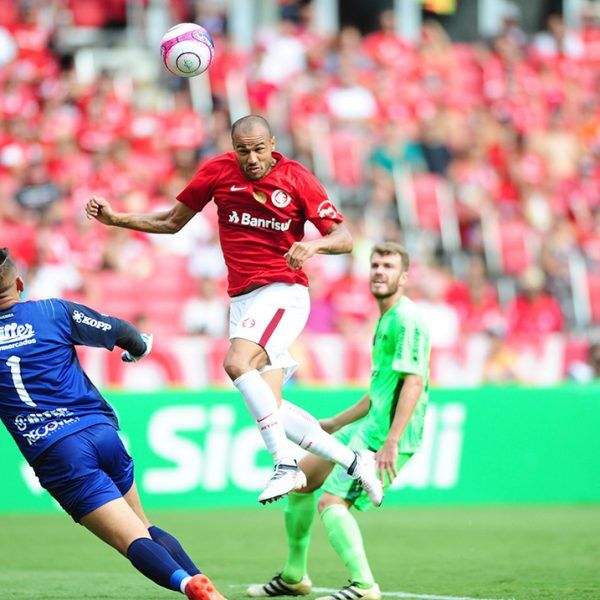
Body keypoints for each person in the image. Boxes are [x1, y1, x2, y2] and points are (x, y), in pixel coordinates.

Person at [85, 114, 383, 506]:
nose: (252, 158)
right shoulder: (218, 172)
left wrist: (313, 246)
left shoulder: (296, 179)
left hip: (284, 290)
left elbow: (343, 237)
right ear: (233, 148)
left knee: (236, 364)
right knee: (271, 407)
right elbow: (174, 222)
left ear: (273, 144)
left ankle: (284, 463)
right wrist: (116, 219)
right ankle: (353, 460)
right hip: (242, 298)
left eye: (259, 149)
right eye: (243, 150)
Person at [0, 248, 223, 600]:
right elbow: (124, 332)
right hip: (100, 432)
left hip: (57, 451)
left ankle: (187, 585)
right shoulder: (52, 311)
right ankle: (209, 590)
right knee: (144, 526)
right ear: (19, 283)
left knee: (129, 539)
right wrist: (139, 349)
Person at [246, 242, 431, 600]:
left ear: (404, 277)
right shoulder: (387, 318)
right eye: (375, 264)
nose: (379, 271)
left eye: (388, 266)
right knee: (300, 482)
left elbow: (414, 381)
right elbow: (380, 392)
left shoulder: (407, 320)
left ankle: (364, 586)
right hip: (367, 427)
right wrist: (333, 423)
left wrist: (392, 440)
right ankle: (294, 576)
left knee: (332, 503)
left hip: (386, 437)